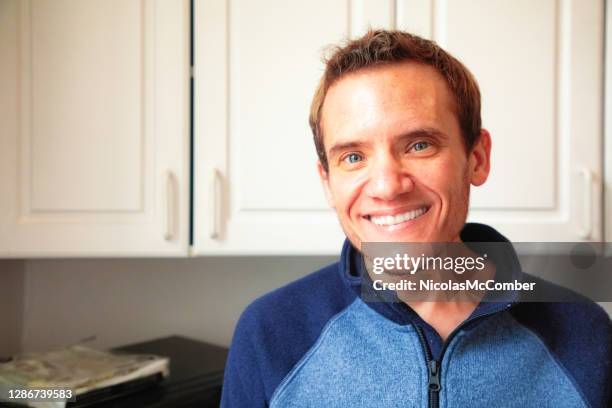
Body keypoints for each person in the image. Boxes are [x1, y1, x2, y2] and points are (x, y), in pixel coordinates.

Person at [221, 30, 611, 407]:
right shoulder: (270, 333)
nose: (388, 186)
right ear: (327, 181)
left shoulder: (584, 332)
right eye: (353, 157)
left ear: (477, 159)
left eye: (419, 145)